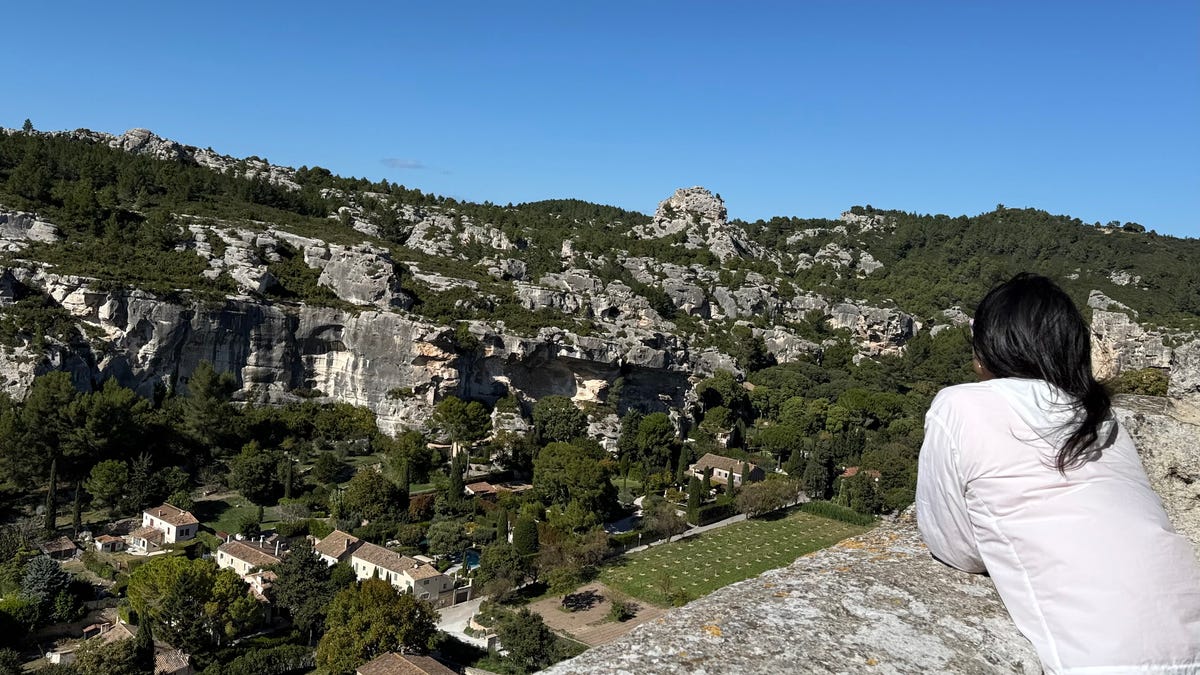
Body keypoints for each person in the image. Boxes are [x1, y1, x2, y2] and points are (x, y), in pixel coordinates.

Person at [916, 273, 1200, 673]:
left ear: (993, 344)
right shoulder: (1101, 419)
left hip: (1106, 661)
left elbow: (954, 547)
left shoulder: (959, 405)